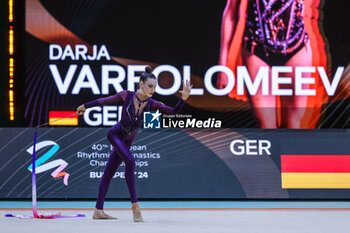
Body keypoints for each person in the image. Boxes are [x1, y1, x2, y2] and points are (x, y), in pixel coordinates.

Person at [76, 66, 191, 221]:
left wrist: (183, 99)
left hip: (128, 139)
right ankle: (135, 206)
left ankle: (98, 210)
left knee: (109, 172)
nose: (153, 89)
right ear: (141, 84)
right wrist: (85, 106)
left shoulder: (152, 104)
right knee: (130, 161)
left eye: (155, 87)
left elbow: (173, 112)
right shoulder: (126, 95)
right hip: (115, 134)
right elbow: (104, 101)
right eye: (150, 86)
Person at [217, 0, 328, 128]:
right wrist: (223, 65)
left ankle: (289, 148)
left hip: (296, 45)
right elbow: (231, 12)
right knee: (266, 126)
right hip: (256, 48)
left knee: (293, 125)